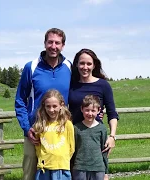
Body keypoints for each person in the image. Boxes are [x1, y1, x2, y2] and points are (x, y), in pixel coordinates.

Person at [15, 28, 72, 180]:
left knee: (61, 174)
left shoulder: (69, 66)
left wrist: (97, 110)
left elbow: (78, 95)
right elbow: (20, 99)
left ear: (63, 45)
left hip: (60, 131)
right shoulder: (31, 67)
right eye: (50, 42)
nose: (53, 46)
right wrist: (27, 128)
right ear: (44, 43)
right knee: (30, 174)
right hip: (36, 132)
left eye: (57, 43)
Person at [69, 48, 119, 179]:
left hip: (95, 137)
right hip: (75, 137)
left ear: (94, 65)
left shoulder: (103, 85)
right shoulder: (71, 85)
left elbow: (112, 113)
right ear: (76, 64)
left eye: (89, 64)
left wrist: (112, 136)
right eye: (81, 63)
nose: (85, 67)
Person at [33, 89, 75, 180]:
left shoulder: (67, 124)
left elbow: (72, 147)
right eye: (48, 106)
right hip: (44, 168)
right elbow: (38, 147)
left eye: (54, 106)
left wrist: (63, 159)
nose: (51, 110)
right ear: (44, 106)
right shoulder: (39, 125)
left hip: (61, 167)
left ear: (61, 105)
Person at [72, 95, 108, 180]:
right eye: (87, 110)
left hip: (98, 168)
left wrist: (106, 172)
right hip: (80, 168)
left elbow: (104, 151)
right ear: (82, 109)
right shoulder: (76, 128)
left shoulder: (102, 128)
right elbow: (73, 149)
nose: (90, 113)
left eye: (93, 110)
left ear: (99, 110)